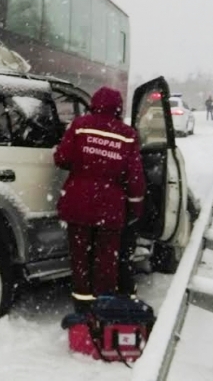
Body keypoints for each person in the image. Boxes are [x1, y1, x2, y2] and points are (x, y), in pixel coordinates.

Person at [54, 87, 146, 311]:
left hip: (78, 203)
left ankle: (83, 308)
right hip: (110, 208)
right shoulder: (127, 134)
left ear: (94, 103)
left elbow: (62, 158)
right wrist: (135, 206)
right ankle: (104, 308)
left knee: (80, 260)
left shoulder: (79, 125)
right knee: (107, 261)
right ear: (118, 108)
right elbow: (135, 177)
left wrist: (83, 164)